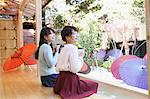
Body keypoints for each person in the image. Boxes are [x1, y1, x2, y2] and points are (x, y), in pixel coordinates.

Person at [54, 26, 98, 99]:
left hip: (61, 81)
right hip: (70, 81)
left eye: (76, 34)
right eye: (74, 34)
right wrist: (80, 57)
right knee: (94, 84)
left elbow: (58, 66)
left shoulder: (63, 48)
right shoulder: (73, 48)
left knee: (87, 83)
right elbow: (75, 69)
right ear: (67, 37)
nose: (76, 36)